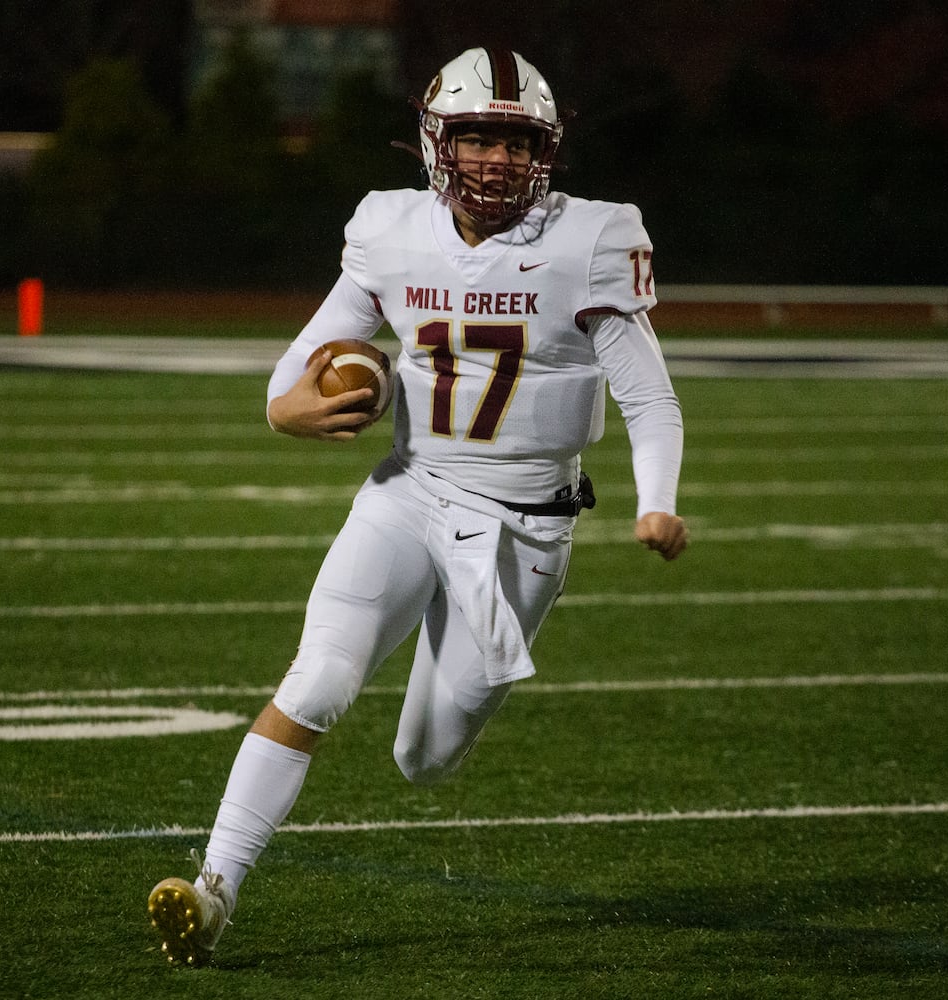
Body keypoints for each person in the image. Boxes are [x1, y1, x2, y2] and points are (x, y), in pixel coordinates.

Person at [147, 46, 687, 967]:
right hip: (407, 493)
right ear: (437, 140)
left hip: (524, 528)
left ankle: (437, 705)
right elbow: (309, 354)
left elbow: (649, 397)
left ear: (544, 151)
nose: (494, 160)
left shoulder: (590, 239)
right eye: (475, 136)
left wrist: (656, 504)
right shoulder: (389, 228)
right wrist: (286, 408)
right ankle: (214, 888)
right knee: (315, 679)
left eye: (514, 142)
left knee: (423, 758)